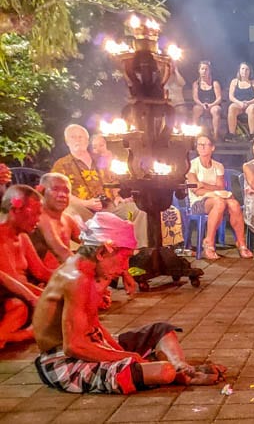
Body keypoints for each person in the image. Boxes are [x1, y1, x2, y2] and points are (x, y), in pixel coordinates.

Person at [32, 213, 226, 393]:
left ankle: (181, 367)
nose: (125, 266)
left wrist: (119, 352)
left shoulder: (89, 271)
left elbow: (93, 326)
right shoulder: (77, 279)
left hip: (90, 343)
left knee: (161, 330)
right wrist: (128, 358)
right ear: (101, 253)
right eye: (124, 258)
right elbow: (74, 346)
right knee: (162, 371)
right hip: (64, 362)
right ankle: (174, 374)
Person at [51, 124, 147, 249]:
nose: (78, 140)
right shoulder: (61, 164)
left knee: (139, 210)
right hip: (84, 210)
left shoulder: (100, 159)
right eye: (73, 137)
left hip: (110, 207)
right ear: (67, 141)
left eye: (81, 137)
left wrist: (116, 195)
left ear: (87, 140)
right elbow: (59, 193)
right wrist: (85, 203)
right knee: (68, 210)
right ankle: (79, 255)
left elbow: (113, 179)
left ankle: (140, 251)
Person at [186, 136, 251, 260]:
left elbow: (220, 186)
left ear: (212, 147)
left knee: (234, 204)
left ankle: (241, 242)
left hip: (216, 198)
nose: (203, 147)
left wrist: (203, 184)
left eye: (206, 144)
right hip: (198, 203)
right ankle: (209, 242)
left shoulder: (218, 166)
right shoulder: (191, 165)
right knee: (219, 202)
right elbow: (196, 190)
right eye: (200, 144)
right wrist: (213, 189)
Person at [0, 186, 49, 348]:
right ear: (15, 210)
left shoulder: (23, 237)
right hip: (11, 296)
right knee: (18, 307)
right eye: (34, 213)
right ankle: (17, 336)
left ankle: (12, 336)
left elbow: (41, 272)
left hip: (24, 295)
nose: (38, 219)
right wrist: (43, 299)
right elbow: (10, 282)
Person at [29, 174, 80, 270]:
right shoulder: (40, 217)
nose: (62, 195)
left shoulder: (68, 219)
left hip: (63, 274)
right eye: (55, 189)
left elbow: (90, 241)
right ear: (42, 191)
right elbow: (61, 252)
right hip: (43, 279)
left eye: (66, 191)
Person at [226, 62, 254, 139]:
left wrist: (248, 102)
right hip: (238, 104)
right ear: (239, 70)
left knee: (252, 108)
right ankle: (231, 134)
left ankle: (252, 134)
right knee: (231, 107)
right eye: (242, 69)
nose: (244, 71)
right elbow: (231, 97)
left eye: (247, 69)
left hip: (251, 103)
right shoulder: (234, 82)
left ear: (250, 71)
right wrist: (240, 103)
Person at [191, 61, 223, 141]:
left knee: (215, 110)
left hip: (213, 104)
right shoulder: (196, 84)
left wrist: (211, 105)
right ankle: (194, 134)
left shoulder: (215, 83)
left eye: (206, 69)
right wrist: (202, 105)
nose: (204, 71)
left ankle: (216, 135)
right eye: (202, 69)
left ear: (209, 71)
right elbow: (195, 98)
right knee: (196, 109)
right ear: (199, 70)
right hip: (201, 104)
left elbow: (219, 98)